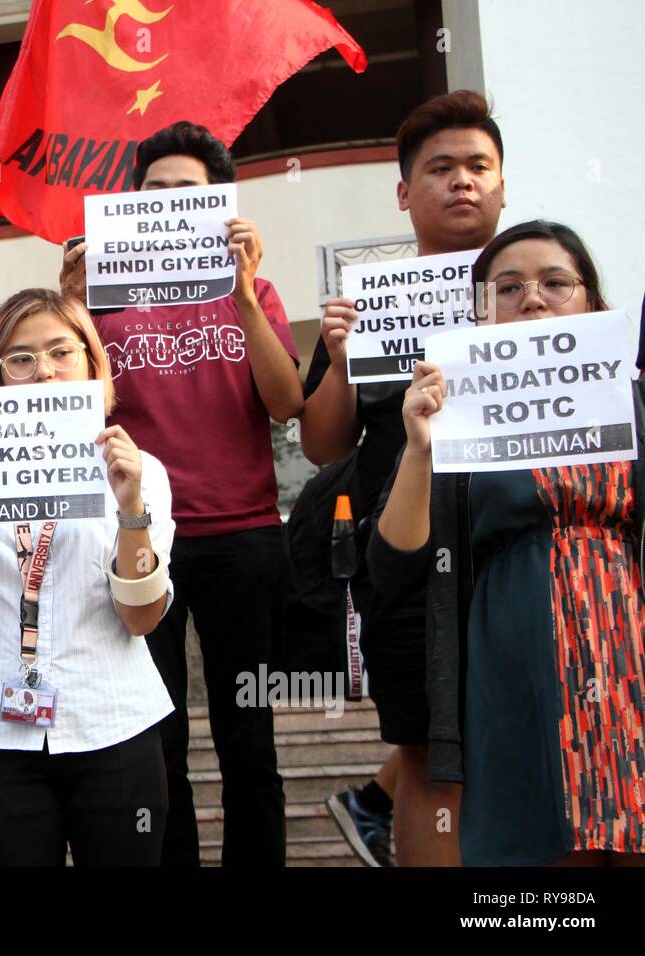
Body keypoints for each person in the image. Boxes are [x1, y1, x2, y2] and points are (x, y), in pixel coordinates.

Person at [369, 221, 645, 867]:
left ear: (593, 304)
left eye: (556, 282)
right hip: (512, 656)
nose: (534, 299)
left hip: (626, 641)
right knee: (542, 848)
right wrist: (418, 447)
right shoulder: (450, 413)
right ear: (479, 313)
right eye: (509, 287)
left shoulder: (631, 400)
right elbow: (394, 566)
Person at [59, 121, 298, 866]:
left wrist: (245, 298)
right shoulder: (100, 298)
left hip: (247, 536)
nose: (168, 202)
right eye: (153, 191)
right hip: (139, 540)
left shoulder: (256, 290)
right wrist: (74, 307)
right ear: (133, 202)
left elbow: (287, 401)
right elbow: (68, 413)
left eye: (186, 192)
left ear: (219, 202)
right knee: (155, 742)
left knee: (249, 741)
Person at [0, 288, 174, 866]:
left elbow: (141, 616)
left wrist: (130, 507)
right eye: (19, 358)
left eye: (60, 352)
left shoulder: (139, 471)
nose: (42, 371)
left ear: (93, 363)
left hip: (112, 722)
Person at [300, 90, 506, 866]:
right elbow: (324, 447)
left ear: (503, 185)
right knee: (427, 757)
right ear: (403, 192)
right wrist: (343, 358)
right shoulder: (366, 307)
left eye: (479, 167)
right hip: (405, 567)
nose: (462, 182)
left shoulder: (540, 290)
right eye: (441, 167)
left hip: (516, 557)